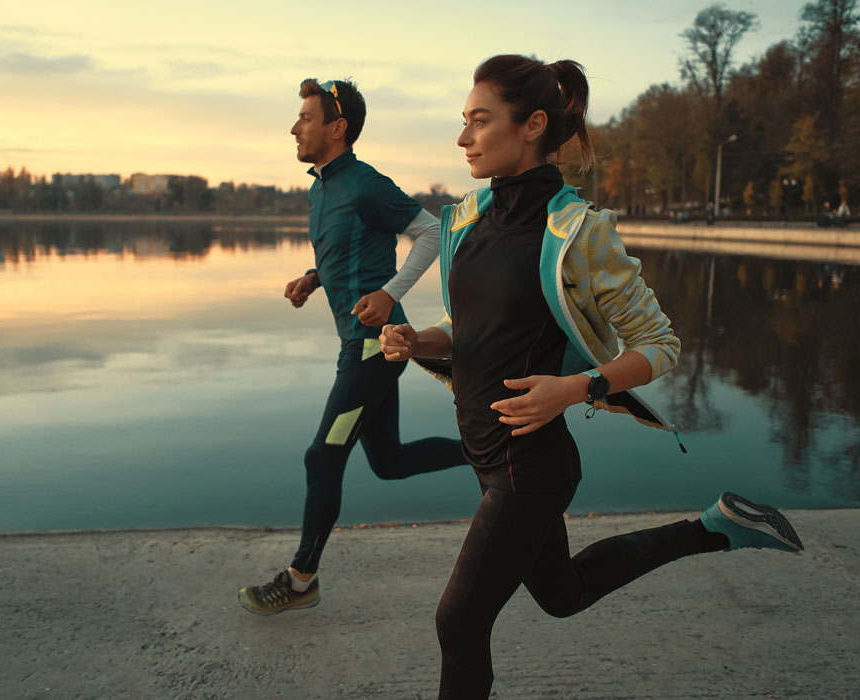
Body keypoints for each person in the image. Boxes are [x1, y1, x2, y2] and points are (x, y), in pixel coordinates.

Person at [378, 55, 804, 700]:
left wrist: (575, 387)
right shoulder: (466, 219)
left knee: (459, 621)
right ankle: (717, 527)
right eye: (463, 122)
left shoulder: (578, 231)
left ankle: (714, 529)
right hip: (486, 451)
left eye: (478, 122)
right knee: (563, 594)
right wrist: (419, 340)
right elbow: (469, 328)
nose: (462, 138)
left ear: (532, 125)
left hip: (531, 467)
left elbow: (660, 346)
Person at [237, 78, 467, 616]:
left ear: (336, 128)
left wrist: (389, 294)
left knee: (322, 457)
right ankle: (488, 452)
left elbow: (432, 232)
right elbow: (351, 248)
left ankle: (300, 580)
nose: (295, 128)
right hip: (360, 345)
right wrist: (315, 276)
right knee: (387, 462)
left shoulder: (364, 183)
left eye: (306, 119)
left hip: (373, 348)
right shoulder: (321, 187)